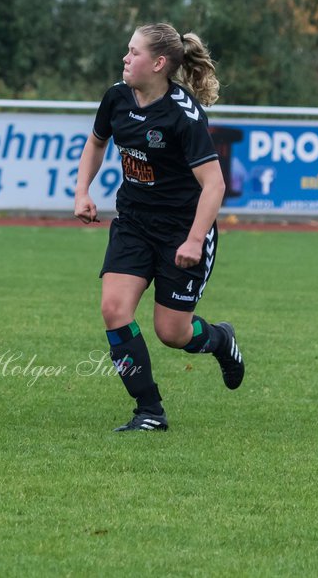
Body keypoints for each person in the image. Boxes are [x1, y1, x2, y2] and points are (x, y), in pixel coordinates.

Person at [74, 22, 243, 431]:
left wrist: (194, 239)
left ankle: (220, 339)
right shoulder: (116, 97)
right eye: (127, 50)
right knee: (114, 310)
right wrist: (83, 191)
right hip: (133, 221)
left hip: (181, 230)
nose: (125, 59)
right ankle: (149, 410)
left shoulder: (183, 115)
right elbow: (96, 143)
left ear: (159, 63)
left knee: (172, 332)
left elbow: (214, 184)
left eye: (133, 52)